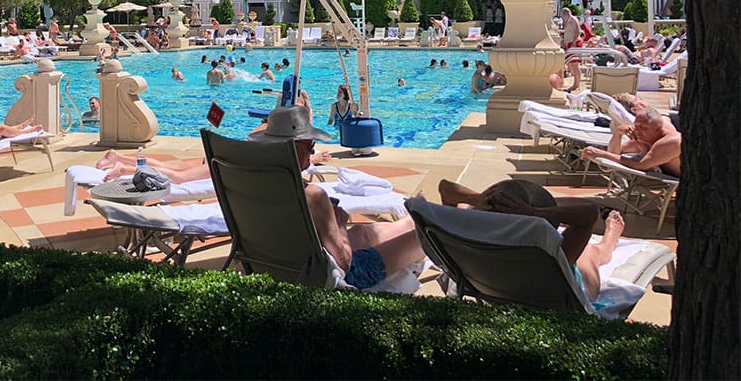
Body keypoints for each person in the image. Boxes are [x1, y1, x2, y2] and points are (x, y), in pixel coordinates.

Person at [251, 105, 425, 290]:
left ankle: (412, 219)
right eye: (310, 147)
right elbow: (344, 264)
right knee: (422, 238)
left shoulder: (254, 184)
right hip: (327, 274)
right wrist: (340, 223)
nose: (312, 154)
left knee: (361, 232)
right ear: (292, 148)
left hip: (275, 264)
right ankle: (426, 223)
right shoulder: (312, 196)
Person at [437, 178, 623, 305]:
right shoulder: (552, 259)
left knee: (587, 252)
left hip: (486, 284)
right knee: (591, 252)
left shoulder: (466, 238)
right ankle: (609, 241)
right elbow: (589, 213)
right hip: (562, 292)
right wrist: (535, 214)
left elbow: (445, 187)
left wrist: (475, 199)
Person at [581, 107, 681, 176]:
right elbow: (614, 153)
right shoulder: (643, 138)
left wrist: (600, 153)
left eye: (643, 128)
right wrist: (618, 134)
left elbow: (641, 165)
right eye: (636, 126)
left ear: (658, 128)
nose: (638, 131)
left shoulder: (671, 141)